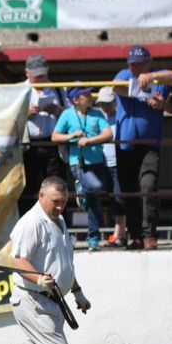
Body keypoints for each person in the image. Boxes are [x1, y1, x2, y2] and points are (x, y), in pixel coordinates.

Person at [10, 176, 91, 344]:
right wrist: (38, 278)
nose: (60, 207)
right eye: (55, 202)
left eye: (64, 202)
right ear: (41, 196)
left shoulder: (59, 221)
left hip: (54, 301)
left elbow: (63, 262)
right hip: (33, 299)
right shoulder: (31, 223)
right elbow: (18, 260)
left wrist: (77, 291)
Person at [112, 45, 172, 250]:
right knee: (129, 192)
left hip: (150, 145)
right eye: (132, 64)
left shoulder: (159, 78)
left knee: (148, 187)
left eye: (139, 64)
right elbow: (115, 86)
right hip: (124, 145)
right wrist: (143, 94)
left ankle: (150, 234)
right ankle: (135, 235)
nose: (134, 68)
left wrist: (162, 104)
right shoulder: (125, 75)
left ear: (149, 62)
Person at [52, 86, 113, 251]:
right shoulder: (67, 114)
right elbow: (55, 136)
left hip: (98, 161)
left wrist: (90, 141)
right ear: (76, 99)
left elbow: (108, 134)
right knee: (96, 188)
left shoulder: (97, 113)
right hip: (77, 162)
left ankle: (93, 237)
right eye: (85, 94)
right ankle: (82, 187)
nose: (90, 96)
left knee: (95, 199)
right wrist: (71, 136)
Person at [19, 54, 69, 215]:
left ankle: (57, 221)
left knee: (55, 185)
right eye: (37, 75)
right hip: (28, 145)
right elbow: (8, 117)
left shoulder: (58, 89)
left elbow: (70, 115)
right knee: (29, 186)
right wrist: (24, 113)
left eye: (43, 74)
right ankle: (28, 223)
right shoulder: (19, 90)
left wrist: (58, 111)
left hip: (52, 144)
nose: (41, 78)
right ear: (27, 73)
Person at [95, 86, 127, 247]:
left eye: (108, 103)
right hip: (101, 163)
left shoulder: (122, 117)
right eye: (102, 103)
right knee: (106, 197)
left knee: (118, 198)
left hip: (118, 162)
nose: (105, 107)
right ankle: (115, 232)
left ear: (115, 102)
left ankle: (118, 233)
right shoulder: (97, 118)